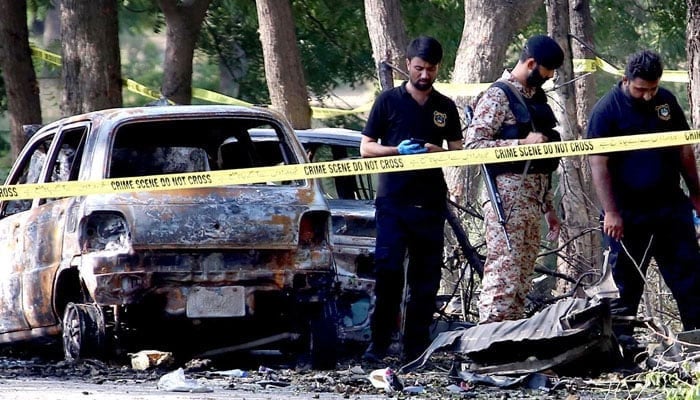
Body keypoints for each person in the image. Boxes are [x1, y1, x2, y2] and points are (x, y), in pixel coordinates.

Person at [360, 36, 463, 362]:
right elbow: (366, 148)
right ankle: (378, 346)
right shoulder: (387, 102)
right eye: (419, 68)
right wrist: (396, 151)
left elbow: (459, 153)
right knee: (389, 275)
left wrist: (438, 152)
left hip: (430, 205)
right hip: (393, 203)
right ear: (408, 64)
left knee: (425, 281)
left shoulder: (445, 107)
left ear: (437, 69)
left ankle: (415, 350)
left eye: (430, 69)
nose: (424, 74)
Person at [587, 50, 700, 334]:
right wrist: (611, 211)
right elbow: (598, 163)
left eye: (653, 88)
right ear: (626, 80)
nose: (648, 95)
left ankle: (695, 342)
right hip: (627, 213)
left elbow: (684, 148)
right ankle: (622, 350)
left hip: (670, 207)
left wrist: (696, 192)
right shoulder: (606, 111)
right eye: (641, 89)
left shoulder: (666, 102)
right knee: (625, 286)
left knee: (690, 277)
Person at [464, 34, 563, 324]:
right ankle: (489, 342)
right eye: (546, 71)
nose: (549, 77)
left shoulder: (537, 99)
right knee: (503, 275)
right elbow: (472, 147)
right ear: (531, 63)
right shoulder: (498, 95)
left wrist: (548, 206)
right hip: (505, 199)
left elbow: (542, 162)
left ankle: (512, 341)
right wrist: (519, 145)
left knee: (521, 278)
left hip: (533, 201)